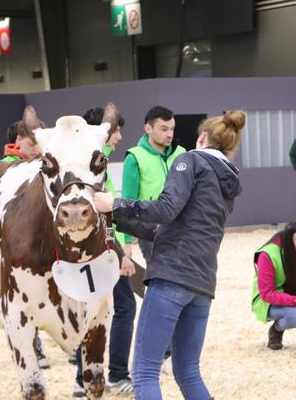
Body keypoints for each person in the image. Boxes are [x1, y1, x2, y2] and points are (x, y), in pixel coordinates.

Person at [93, 110, 245, 400]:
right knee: (188, 371)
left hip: (171, 277)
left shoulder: (190, 160)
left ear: (202, 138)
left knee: (145, 372)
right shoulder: (226, 182)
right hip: (202, 284)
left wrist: (115, 203)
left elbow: (164, 210)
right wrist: (115, 219)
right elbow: (171, 227)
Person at [72, 108, 136, 398]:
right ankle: (117, 375)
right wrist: (120, 252)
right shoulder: (93, 167)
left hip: (90, 252)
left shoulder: (83, 163)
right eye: (115, 131)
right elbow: (103, 219)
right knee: (124, 307)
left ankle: (80, 380)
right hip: (101, 252)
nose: (119, 137)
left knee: (90, 312)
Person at [3, 118, 48, 369]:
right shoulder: (5, 168)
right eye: (32, 145)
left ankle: (36, 347)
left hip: (34, 243)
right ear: (18, 141)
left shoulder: (41, 165)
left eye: (39, 145)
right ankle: (32, 349)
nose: (36, 150)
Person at [122, 106, 186, 262]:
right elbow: (127, 200)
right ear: (148, 128)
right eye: (164, 129)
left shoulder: (182, 153)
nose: (169, 134)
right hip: (151, 231)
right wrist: (127, 242)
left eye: (172, 129)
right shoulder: (134, 157)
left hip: (182, 227)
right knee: (159, 276)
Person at [252, 221, 296, 350]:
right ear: (288, 241)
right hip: (269, 301)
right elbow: (266, 294)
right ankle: (276, 330)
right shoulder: (267, 255)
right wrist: (295, 301)